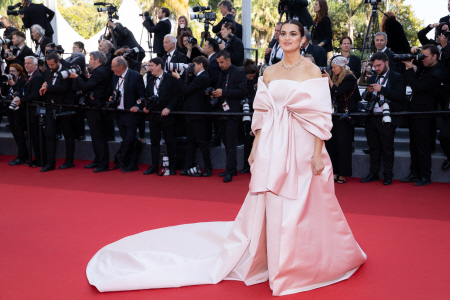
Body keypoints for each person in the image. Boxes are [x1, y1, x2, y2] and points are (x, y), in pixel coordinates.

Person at [86, 19, 366, 296]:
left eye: (294, 33)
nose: (288, 37)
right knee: (272, 198)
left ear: (303, 39)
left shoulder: (312, 70)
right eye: (283, 33)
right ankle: (273, 256)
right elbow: (263, 113)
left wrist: (318, 155)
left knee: (303, 200)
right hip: (271, 141)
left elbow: (318, 115)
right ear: (278, 38)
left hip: (303, 143)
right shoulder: (269, 72)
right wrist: (256, 147)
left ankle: (301, 261)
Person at [360, 52, 406, 185]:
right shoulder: (372, 77)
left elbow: (400, 96)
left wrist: (383, 89)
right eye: (374, 66)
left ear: (387, 63)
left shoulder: (397, 77)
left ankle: (388, 175)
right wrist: (368, 93)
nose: (376, 68)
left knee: (387, 147)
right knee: (373, 147)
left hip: (388, 118)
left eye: (379, 65)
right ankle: (373, 173)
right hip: (372, 116)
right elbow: (366, 97)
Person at [401, 44, 443, 186]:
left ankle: (426, 176)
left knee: (422, 146)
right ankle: (414, 173)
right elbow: (418, 63)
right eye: (422, 56)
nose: (422, 59)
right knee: (413, 145)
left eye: (425, 56)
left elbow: (418, 87)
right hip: (415, 111)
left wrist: (409, 71)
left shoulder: (436, 72)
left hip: (424, 113)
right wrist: (414, 53)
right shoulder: (426, 66)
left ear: (435, 56)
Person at [69, 51, 111, 173]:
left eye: (91, 59)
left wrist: (76, 77)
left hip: (97, 109)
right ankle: (98, 160)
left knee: (99, 137)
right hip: (92, 108)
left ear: (97, 61)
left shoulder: (100, 72)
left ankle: (103, 163)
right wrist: (81, 75)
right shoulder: (97, 72)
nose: (89, 61)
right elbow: (88, 83)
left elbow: (86, 87)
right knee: (95, 136)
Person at [322, 56, 361, 184]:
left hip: (345, 118)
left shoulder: (349, 77)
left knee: (343, 147)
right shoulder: (335, 77)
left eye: (335, 67)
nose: (332, 70)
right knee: (332, 145)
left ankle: (343, 174)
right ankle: (335, 172)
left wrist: (328, 81)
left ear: (342, 67)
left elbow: (338, 92)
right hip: (334, 116)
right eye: (332, 67)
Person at [172, 56, 212, 176]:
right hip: (191, 113)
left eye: (194, 65)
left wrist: (178, 78)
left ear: (200, 64)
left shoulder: (203, 77)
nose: (192, 67)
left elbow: (185, 90)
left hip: (198, 114)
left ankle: (208, 169)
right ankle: (187, 166)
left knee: (202, 141)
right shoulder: (197, 77)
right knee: (190, 141)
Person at [211, 50, 247, 182]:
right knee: (226, 142)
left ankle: (230, 170)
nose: (220, 65)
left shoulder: (239, 72)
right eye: (218, 62)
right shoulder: (222, 73)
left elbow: (242, 91)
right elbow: (221, 89)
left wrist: (224, 93)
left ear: (229, 60)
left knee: (230, 142)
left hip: (233, 112)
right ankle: (231, 168)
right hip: (222, 111)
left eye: (222, 62)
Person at [143, 57, 181, 176]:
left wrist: (168, 107)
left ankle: (172, 166)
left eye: (152, 65)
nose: (150, 68)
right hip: (153, 115)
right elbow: (147, 94)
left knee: (170, 141)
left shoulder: (170, 78)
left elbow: (177, 96)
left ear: (159, 66)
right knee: (154, 142)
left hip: (166, 116)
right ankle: (154, 166)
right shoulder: (150, 79)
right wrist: (146, 106)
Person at [39, 52, 76, 172]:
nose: (50, 67)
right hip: (51, 107)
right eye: (48, 64)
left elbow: (64, 88)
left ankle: (69, 161)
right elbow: (47, 85)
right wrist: (45, 87)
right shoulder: (48, 72)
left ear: (58, 62)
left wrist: (48, 87)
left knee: (68, 134)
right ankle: (50, 162)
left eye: (52, 64)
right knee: (49, 134)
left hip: (64, 107)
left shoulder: (67, 72)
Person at [109, 57, 146, 172]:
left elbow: (142, 95)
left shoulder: (136, 76)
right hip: (119, 113)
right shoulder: (114, 77)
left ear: (121, 66)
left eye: (113, 66)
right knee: (127, 139)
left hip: (131, 114)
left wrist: (137, 106)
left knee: (129, 139)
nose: (111, 69)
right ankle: (132, 163)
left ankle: (122, 159)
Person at [8, 56, 46, 167]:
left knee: (36, 136)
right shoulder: (29, 77)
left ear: (35, 65)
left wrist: (21, 100)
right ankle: (37, 158)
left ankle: (40, 159)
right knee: (33, 136)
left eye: (29, 63)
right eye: (25, 63)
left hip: (34, 111)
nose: (27, 65)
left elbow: (35, 95)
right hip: (28, 111)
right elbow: (22, 91)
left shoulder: (37, 77)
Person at [1, 63, 27, 165]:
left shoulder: (22, 81)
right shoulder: (8, 81)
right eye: (10, 71)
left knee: (19, 133)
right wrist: (4, 83)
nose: (11, 73)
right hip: (10, 110)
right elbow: (3, 95)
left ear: (19, 72)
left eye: (13, 71)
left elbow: (20, 93)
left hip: (20, 111)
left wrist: (13, 84)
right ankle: (23, 154)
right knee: (15, 133)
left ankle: (22, 156)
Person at [65, 41, 87, 141]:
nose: (73, 49)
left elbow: (69, 65)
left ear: (81, 49)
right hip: (72, 88)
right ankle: (75, 133)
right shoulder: (71, 57)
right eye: (73, 47)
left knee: (78, 113)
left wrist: (59, 59)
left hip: (77, 88)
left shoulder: (80, 57)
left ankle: (80, 134)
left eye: (75, 47)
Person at [239, 59, 258, 174]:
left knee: (249, 138)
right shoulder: (240, 79)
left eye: (253, 77)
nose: (251, 79)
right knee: (246, 139)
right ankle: (246, 165)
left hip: (252, 111)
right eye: (250, 76)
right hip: (242, 110)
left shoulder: (252, 82)